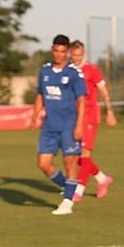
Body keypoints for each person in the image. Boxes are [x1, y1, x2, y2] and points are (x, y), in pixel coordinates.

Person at [32, 34, 87, 215]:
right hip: (49, 126)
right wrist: (35, 114)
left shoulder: (74, 73)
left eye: (63, 51)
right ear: (52, 50)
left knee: (69, 161)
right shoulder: (45, 71)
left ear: (67, 52)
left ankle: (67, 203)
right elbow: (41, 94)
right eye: (56, 50)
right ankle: (68, 186)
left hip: (68, 125)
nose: (59, 54)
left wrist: (79, 125)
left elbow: (82, 100)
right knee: (43, 163)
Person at [68, 41, 116, 201]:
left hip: (89, 117)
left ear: (84, 53)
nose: (76, 58)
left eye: (79, 55)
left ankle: (78, 191)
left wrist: (109, 111)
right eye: (74, 55)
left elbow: (103, 90)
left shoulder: (91, 69)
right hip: (74, 118)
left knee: (84, 154)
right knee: (76, 157)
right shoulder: (68, 70)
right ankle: (102, 179)